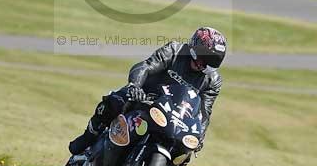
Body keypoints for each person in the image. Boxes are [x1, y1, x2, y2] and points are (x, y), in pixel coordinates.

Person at [69, 27, 227, 158]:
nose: (203, 63)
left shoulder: (213, 81)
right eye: (202, 56)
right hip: (145, 97)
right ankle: (90, 135)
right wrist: (135, 86)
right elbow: (146, 66)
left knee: (184, 153)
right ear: (193, 46)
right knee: (116, 100)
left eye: (211, 61)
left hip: (176, 116)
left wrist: (200, 135)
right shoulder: (175, 50)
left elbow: (204, 112)